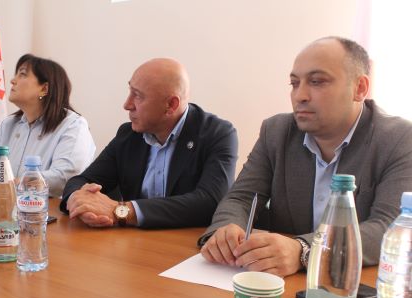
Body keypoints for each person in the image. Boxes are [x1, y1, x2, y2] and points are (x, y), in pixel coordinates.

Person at [199, 36, 412, 277]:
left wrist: (304, 250)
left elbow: (389, 228)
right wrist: (226, 230)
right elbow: (241, 198)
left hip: (353, 286)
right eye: (294, 83)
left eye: (317, 82)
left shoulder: (399, 139)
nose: (300, 95)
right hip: (278, 284)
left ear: (360, 88)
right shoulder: (276, 131)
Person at [60, 58, 238, 229]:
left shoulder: (218, 134)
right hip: (136, 242)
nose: (127, 104)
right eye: (130, 91)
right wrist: (79, 199)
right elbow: (82, 180)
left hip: (187, 244)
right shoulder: (129, 135)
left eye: (137, 96)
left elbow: (210, 201)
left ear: (171, 105)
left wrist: (123, 211)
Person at [0, 54, 95, 199]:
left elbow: (62, 179)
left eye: (22, 74)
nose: (12, 80)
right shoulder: (9, 124)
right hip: (6, 209)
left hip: (48, 211)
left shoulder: (73, 125)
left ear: (44, 89)